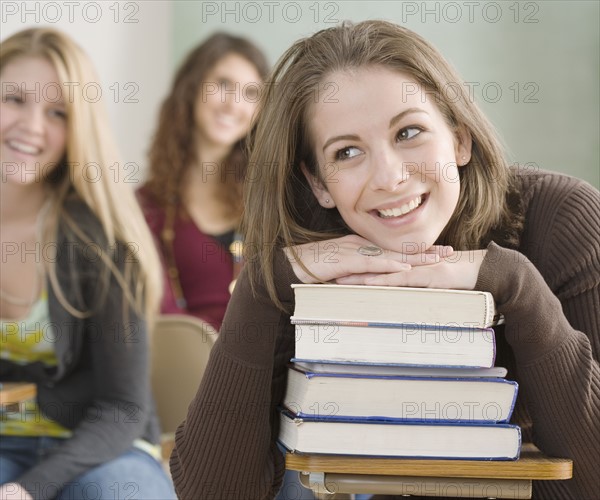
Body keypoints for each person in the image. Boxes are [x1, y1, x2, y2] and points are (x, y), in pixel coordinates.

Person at [169, 20, 599, 500]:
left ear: (459, 138)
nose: (389, 177)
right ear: (319, 183)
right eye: (348, 152)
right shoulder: (305, 258)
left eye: (409, 132)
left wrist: (518, 286)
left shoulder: (563, 219)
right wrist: (261, 288)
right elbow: (213, 492)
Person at [0, 28, 176, 500]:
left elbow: (122, 407)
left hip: (104, 450)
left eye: (57, 112)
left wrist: (28, 490)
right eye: (14, 99)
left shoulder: (100, 239)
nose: (33, 126)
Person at [138, 33, 269, 330]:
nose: (234, 105)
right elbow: (161, 321)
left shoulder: (270, 201)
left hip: (265, 366)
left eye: (250, 93)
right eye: (223, 84)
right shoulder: (145, 207)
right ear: (192, 87)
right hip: (186, 367)